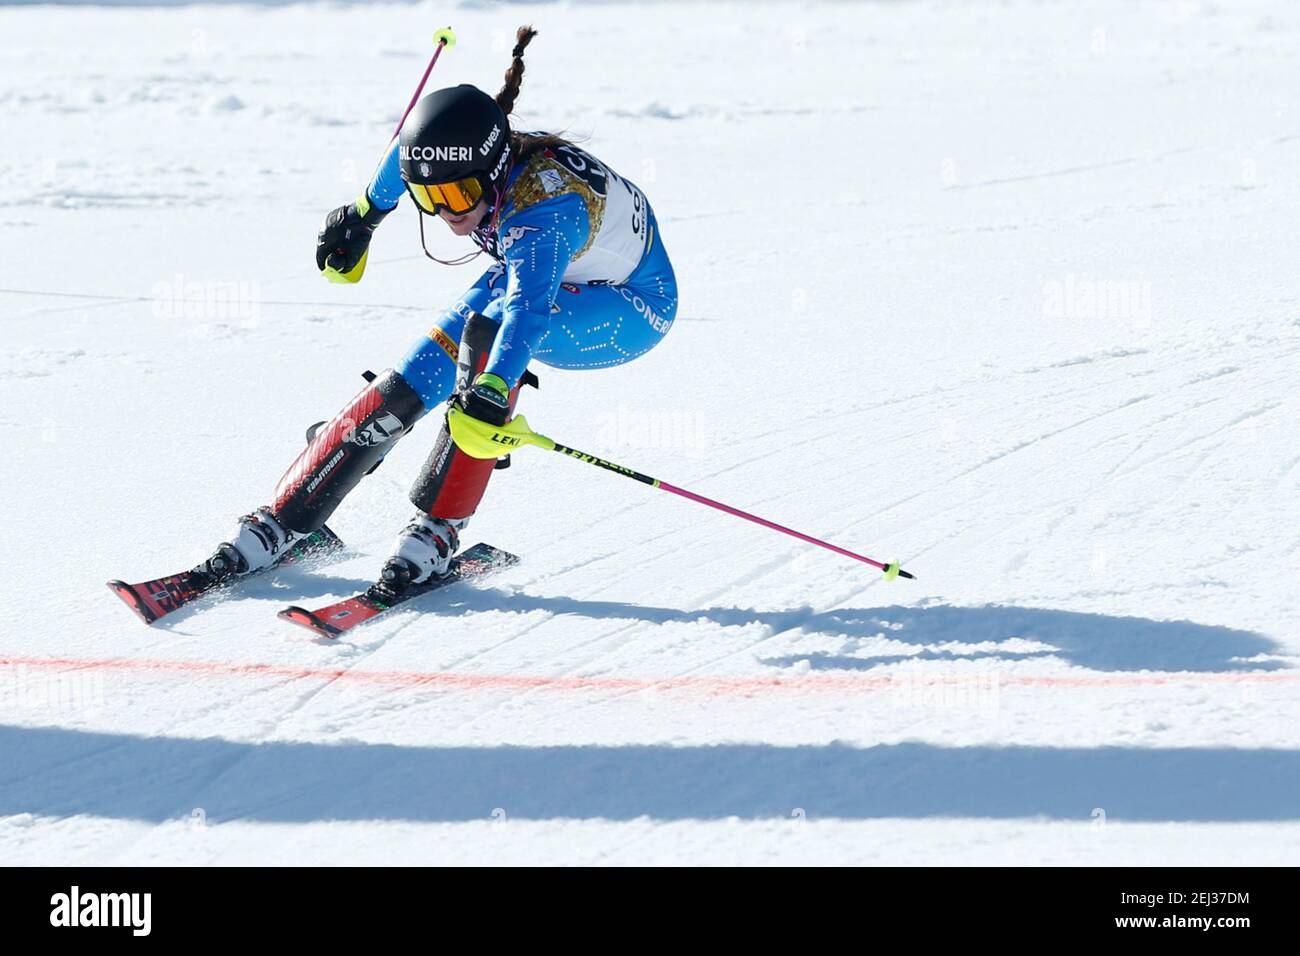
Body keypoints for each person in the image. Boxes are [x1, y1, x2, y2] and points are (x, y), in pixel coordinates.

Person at [201, 25, 678, 595]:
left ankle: (436, 531)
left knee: (490, 340)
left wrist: (496, 387)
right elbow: (405, 159)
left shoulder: (545, 218)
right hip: (544, 278)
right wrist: (364, 217)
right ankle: (289, 515)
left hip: (631, 310)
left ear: (495, 169)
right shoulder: (464, 166)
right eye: (432, 200)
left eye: (457, 197)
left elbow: (528, 310)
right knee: (420, 370)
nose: (448, 214)